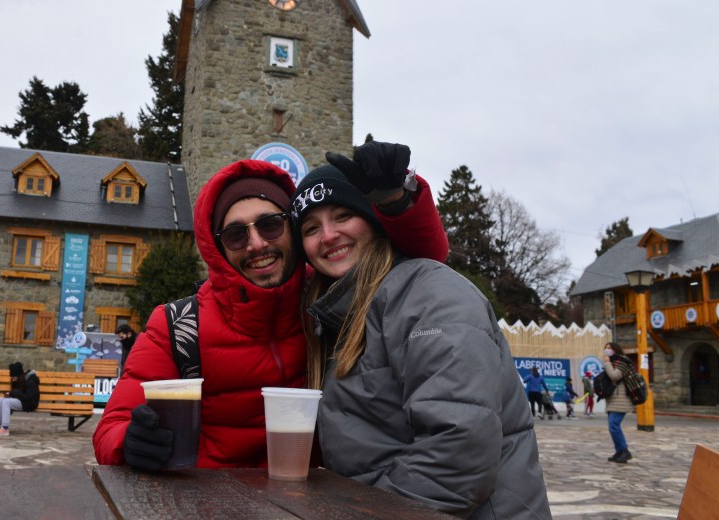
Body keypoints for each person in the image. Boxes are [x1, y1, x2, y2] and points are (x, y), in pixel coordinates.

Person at [93, 141, 449, 470]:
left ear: (293, 230)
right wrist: (131, 442)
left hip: (314, 503)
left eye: (270, 225)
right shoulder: (178, 325)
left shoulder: (329, 298)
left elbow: (421, 270)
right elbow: (111, 427)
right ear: (217, 248)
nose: (255, 244)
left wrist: (397, 202)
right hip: (211, 504)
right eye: (235, 234)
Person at [290, 161, 551, 518]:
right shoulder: (335, 318)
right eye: (310, 228)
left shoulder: (431, 294)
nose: (328, 235)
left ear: (372, 218)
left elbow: (457, 453)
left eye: (342, 215)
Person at [0, 362, 39, 437]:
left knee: (6, 402)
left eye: (14, 377)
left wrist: (14, 393)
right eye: (12, 377)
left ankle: (5, 428)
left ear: (19, 375)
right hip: (21, 401)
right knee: (0, 400)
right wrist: (10, 394)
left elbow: (29, 397)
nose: (13, 380)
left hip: (30, 403)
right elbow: (17, 393)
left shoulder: (31, 381)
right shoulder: (17, 380)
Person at [602, 342, 634, 463]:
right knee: (612, 427)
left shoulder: (623, 361)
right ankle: (619, 451)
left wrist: (607, 363)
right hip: (613, 399)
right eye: (605, 348)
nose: (607, 350)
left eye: (609, 348)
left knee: (614, 425)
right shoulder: (613, 361)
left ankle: (625, 451)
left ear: (616, 349)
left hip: (621, 399)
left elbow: (615, 376)